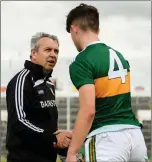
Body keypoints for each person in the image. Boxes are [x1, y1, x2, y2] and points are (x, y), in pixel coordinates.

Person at [65, 3, 148, 162]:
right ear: (97, 29)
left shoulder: (81, 61)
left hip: (106, 140)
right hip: (135, 137)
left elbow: (89, 110)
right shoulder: (120, 56)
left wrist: (72, 151)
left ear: (74, 28)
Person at [6, 32, 72, 162]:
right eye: (48, 50)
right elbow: (19, 122)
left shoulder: (49, 84)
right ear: (34, 53)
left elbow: (48, 125)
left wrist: (63, 146)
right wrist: (53, 138)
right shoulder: (21, 81)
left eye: (56, 51)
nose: (53, 54)